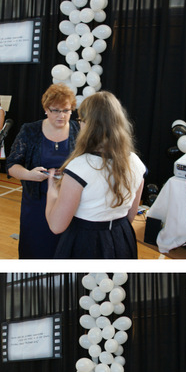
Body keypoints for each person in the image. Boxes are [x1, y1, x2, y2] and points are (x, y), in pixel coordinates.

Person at [45, 91, 146, 258]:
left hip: (86, 243)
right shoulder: (136, 162)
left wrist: (52, 191)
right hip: (122, 238)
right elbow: (130, 215)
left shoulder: (79, 167)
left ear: (88, 125)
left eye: (81, 120)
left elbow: (56, 226)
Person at [7, 84, 80, 258]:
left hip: (69, 202)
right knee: (36, 249)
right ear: (46, 109)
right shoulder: (30, 130)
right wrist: (29, 175)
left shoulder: (78, 130)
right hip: (36, 203)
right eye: (56, 110)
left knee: (65, 251)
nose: (62, 115)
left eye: (66, 110)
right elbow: (11, 165)